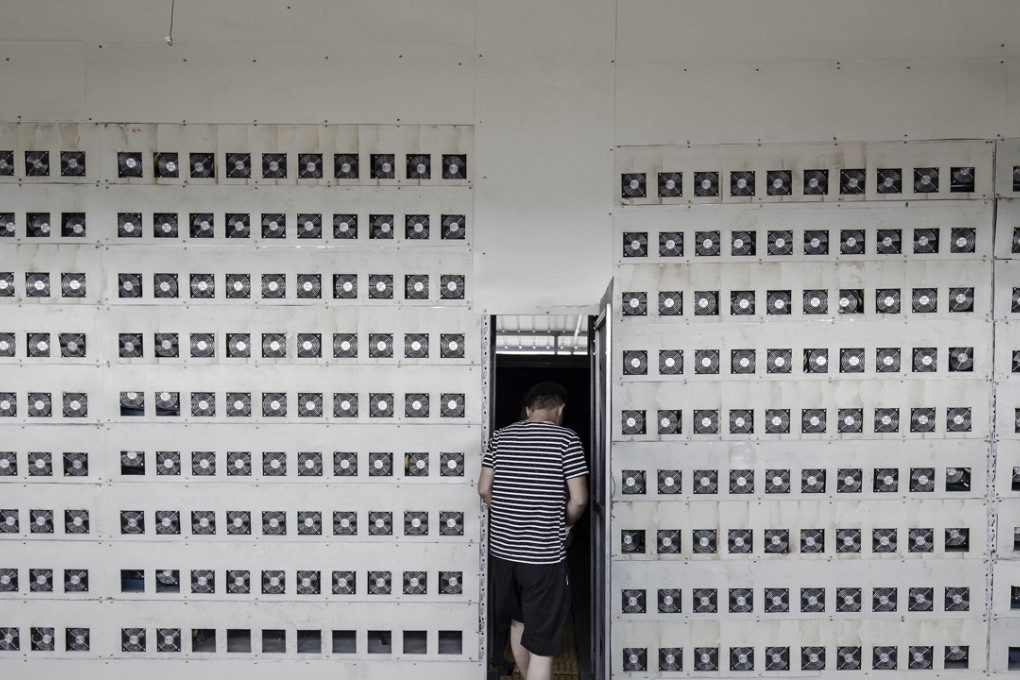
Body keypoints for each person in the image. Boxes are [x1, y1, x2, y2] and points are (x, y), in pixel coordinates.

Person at [478, 381, 589, 680]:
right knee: (543, 640)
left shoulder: (500, 437)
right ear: (560, 409)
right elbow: (579, 499)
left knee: (519, 623)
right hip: (542, 556)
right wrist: (564, 525)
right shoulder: (567, 439)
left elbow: (484, 488)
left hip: (503, 554)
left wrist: (509, 518)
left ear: (528, 410)